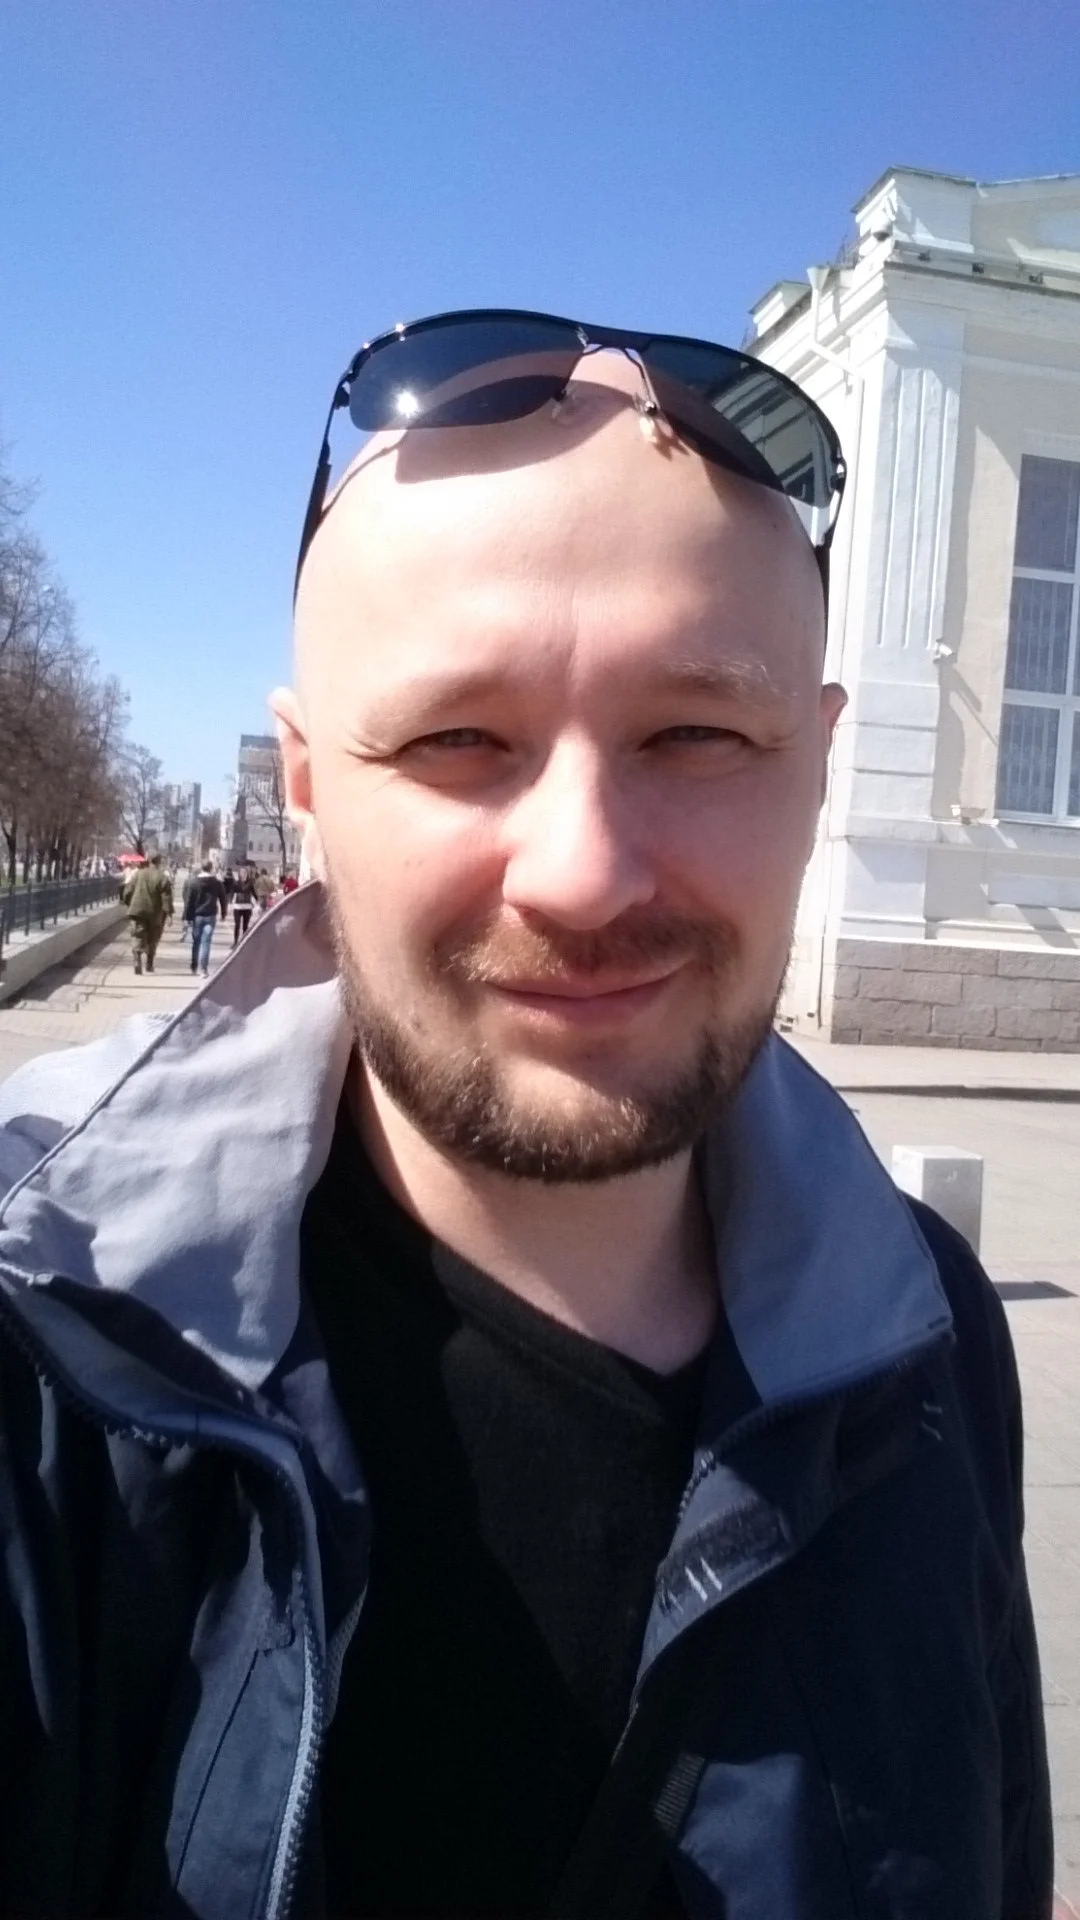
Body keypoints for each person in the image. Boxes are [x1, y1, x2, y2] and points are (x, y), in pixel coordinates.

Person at [0, 313, 1051, 1920]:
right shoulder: (47, 1359)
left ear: (818, 769)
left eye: (698, 733)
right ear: (307, 785)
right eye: (458, 740)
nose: (584, 873)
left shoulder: (932, 1339)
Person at [121, 850, 172, 974]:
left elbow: (128, 891)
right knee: (153, 938)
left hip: (137, 911)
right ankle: (149, 963)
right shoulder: (162, 877)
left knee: (137, 935)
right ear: (159, 861)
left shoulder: (138, 874)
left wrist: (129, 903)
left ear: (148, 860)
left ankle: (137, 959)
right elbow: (166, 897)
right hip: (155, 913)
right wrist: (169, 914)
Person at [181, 856, 226, 976]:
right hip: (210, 915)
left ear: (201, 868)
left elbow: (189, 901)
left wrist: (187, 917)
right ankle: (203, 969)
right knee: (206, 942)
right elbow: (223, 899)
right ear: (211, 868)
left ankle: (194, 966)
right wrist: (223, 913)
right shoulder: (217, 883)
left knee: (196, 941)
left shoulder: (193, 882)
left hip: (197, 916)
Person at [231, 862, 257, 944]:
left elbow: (254, 893)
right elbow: (233, 892)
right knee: (237, 925)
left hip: (247, 907)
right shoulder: (236, 883)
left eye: (245, 872)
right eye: (241, 872)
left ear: (247, 874)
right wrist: (230, 902)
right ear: (239, 873)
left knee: (245, 926)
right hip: (237, 906)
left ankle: (243, 943)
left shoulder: (250, 883)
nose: (243, 874)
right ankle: (235, 942)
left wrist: (256, 901)